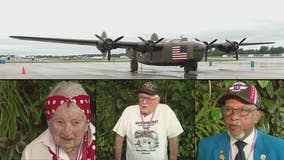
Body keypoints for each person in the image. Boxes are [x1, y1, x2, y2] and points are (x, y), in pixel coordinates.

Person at [198, 81, 284, 160]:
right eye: (228, 109)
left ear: (257, 116)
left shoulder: (279, 148)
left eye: (243, 110)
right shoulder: (206, 147)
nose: (234, 117)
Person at [21, 81, 96, 160]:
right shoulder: (32, 153)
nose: (67, 131)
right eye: (60, 122)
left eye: (75, 122)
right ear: (49, 122)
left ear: (86, 123)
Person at [113, 81, 184, 160]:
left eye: (148, 98)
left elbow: (173, 139)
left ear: (157, 100)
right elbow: (119, 138)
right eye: (141, 97)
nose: (144, 102)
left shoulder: (166, 111)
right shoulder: (129, 111)